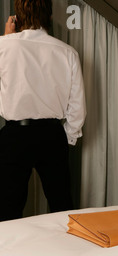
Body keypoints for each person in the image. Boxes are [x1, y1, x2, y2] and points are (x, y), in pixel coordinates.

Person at [0, 0, 86, 221]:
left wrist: (7, 38)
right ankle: (71, 253)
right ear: (49, 16)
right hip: (52, 134)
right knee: (62, 205)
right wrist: (65, 137)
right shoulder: (67, 52)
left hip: (15, 134)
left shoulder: (3, 46)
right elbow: (77, 108)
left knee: (7, 208)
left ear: (17, 17)